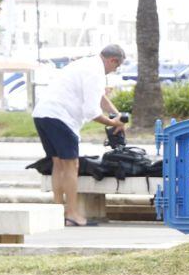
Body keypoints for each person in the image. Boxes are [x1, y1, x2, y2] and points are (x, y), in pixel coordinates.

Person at [31, 45, 127, 226]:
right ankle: (72, 214)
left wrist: (117, 115)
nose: (114, 71)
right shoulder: (96, 72)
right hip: (60, 118)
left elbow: (99, 97)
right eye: (116, 67)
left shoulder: (86, 64)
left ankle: (57, 214)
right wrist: (114, 123)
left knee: (58, 164)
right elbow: (92, 113)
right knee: (71, 165)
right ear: (113, 60)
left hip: (43, 114)